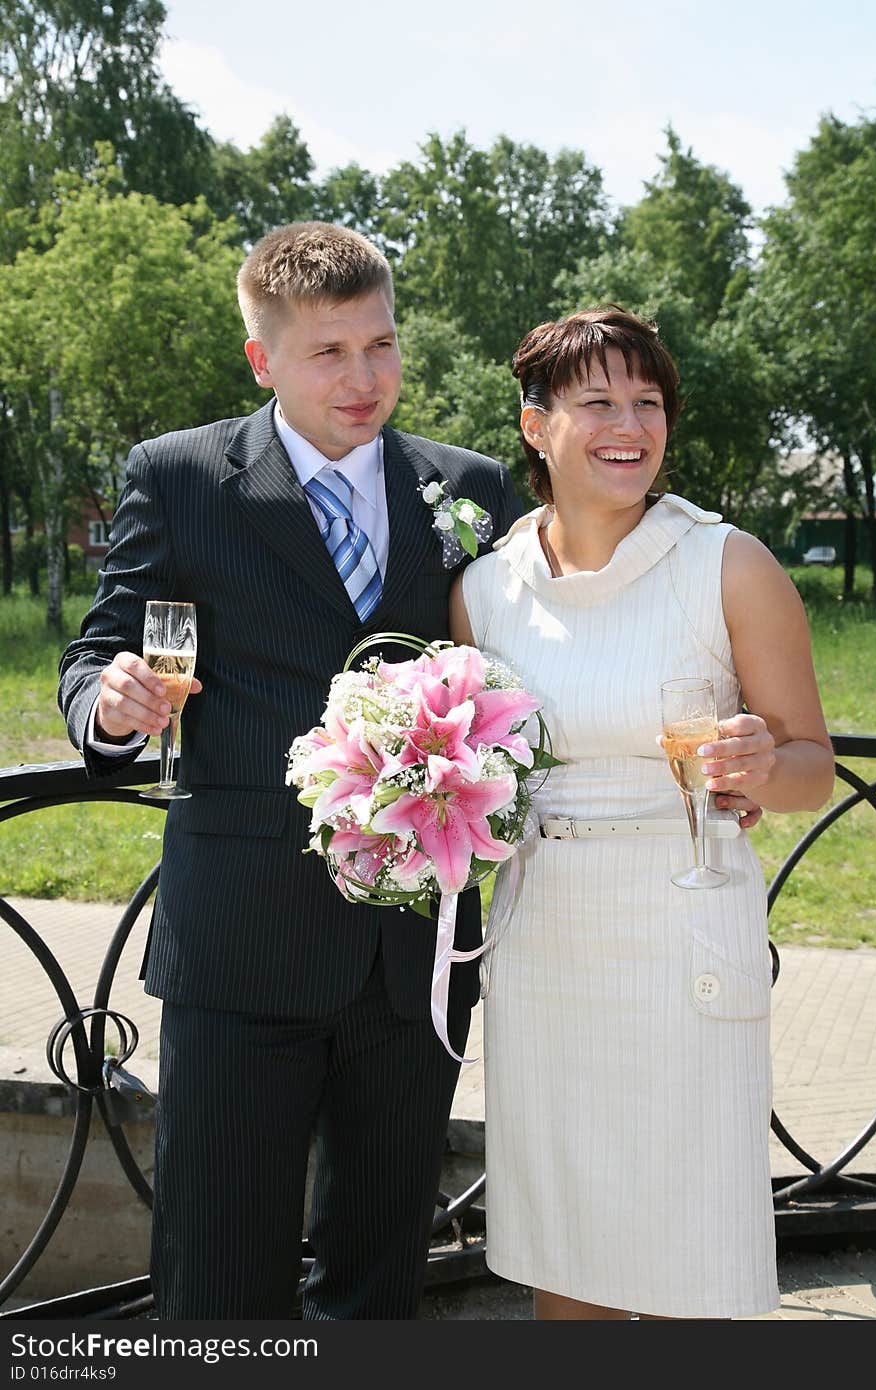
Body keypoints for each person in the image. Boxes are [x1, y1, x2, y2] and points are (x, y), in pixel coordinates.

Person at [58, 221, 522, 1319]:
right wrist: (111, 702)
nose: (365, 380)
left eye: (382, 345)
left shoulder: (470, 488)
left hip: (415, 949)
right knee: (218, 1283)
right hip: (241, 947)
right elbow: (94, 653)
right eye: (329, 352)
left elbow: (516, 671)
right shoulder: (179, 478)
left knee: (377, 1283)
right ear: (263, 358)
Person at [450, 305, 834, 1321]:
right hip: (544, 945)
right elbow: (477, 774)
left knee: (686, 1250)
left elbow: (811, 770)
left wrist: (761, 761)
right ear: (535, 426)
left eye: (648, 400)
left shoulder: (727, 562)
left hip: (682, 937)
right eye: (599, 401)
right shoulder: (484, 591)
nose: (631, 423)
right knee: (564, 1249)